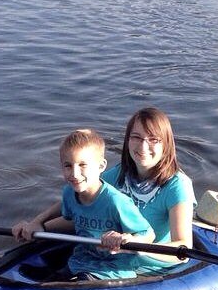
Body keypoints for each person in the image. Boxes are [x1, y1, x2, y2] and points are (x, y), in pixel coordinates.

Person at [13, 107, 195, 275]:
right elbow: (80, 206)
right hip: (110, 256)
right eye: (136, 137)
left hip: (148, 265)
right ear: (127, 139)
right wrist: (38, 225)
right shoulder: (118, 174)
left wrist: (135, 245)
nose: (143, 146)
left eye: (153, 139)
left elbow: (183, 249)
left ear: (166, 144)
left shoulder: (178, 186)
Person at [33, 128, 154, 280]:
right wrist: (37, 224)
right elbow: (66, 217)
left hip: (112, 269)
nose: (75, 174)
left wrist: (126, 238)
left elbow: (148, 234)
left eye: (82, 165)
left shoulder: (116, 201)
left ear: (101, 166)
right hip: (80, 261)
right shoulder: (69, 193)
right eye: (68, 166)